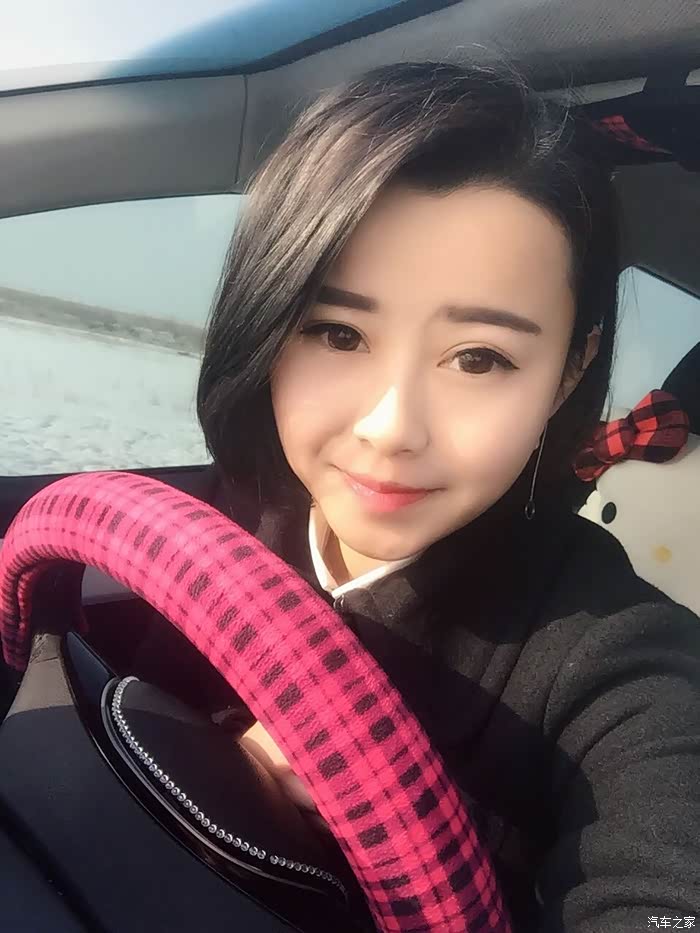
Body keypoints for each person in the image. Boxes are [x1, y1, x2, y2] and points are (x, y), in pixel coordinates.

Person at [194, 61, 700, 930]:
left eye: (478, 358)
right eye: (338, 333)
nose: (392, 427)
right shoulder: (206, 527)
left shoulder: (616, 660)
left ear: (567, 372)